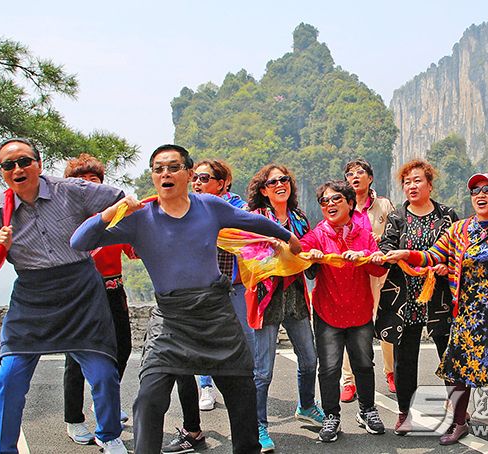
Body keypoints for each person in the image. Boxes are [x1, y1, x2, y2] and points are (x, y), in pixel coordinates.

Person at [71, 144, 301, 454]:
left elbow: (251, 222)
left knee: (242, 394)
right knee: (150, 399)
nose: (165, 173)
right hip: (170, 320)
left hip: (215, 314)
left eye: (173, 167)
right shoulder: (140, 218)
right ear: (153, 177)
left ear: (188, 174)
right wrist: (110, 213)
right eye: (158, 169)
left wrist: (288, 237)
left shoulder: (209, 206)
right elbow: (79, 241)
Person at [0, 138, 127, 454]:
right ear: (2, 172)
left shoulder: (69, 189)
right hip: (32, 295)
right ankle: (2, 449)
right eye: (8, 165)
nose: (18, 169)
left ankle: (110, 436)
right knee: (10, 377)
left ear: (38, 163)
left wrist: (97, 231)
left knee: (102, 374)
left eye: (24, 161)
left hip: (80, 290)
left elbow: (118, 198)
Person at [376, 173, 488, 445]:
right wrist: (408, 255)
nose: (481, 195)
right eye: (475, 190)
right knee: (457, 369)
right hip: (468, 313)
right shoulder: (459, 230)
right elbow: (433, 255)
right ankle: (459, 422)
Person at [163, 158, 254, 454]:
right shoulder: (181, 207)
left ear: (222, 182)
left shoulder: (230, 209)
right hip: (186, 298)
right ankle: (192, 429)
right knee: (181, 364)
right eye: (195, 178)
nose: (197, 183)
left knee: (236, 366)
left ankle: (250, 437)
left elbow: (251, 230)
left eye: (204, 178)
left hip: (223, 294)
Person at [373, 159, 458, 435]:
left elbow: (458, 251)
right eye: (407, 181)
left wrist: (448, 267)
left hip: (439, 298)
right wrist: (381, 254)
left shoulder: (447, 216)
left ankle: (458, 412)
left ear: (430, 185)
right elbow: (386, 246)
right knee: (405, 359)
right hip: (404, 300)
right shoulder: (398, 217)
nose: (412, 185)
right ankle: (404, 413)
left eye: (418, 180)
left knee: (449, 357)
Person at [300, 180, 388, 442]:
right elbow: (301, 255)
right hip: (328, 314)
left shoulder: (364, 234)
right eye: (325, 201)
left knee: (363, 364)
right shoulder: (317, 234)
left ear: (350, 203)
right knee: (328, 368)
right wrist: (311, 255)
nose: (330, 204)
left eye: (336, 199)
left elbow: (379, 268)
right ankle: (331, 416)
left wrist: (366, 255)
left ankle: (367, 410)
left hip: (360, 312)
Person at [246, 164, 324, 452]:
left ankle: (305, 406)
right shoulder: (255, 218)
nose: (281, 184)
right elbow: (250, 255)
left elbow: (307, 248)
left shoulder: (299, 218)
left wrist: (311, 256)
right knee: (263, 370)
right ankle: (259, 425)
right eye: (273, 181)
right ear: (264, 190)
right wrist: (277, 252)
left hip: (294, 295)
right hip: (267, 298)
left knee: (309, 358)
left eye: (285, 179)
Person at [62, 154, 137, 445]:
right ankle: (74, 419)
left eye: (94, 182)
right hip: (78, 294)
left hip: (113, 290)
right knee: (76, 358)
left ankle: (104, 400)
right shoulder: (66, 221)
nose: (88, 188)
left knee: (123, 348)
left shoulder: (115, 219)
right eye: (81, 183)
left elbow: (135, 249)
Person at [342, 158, 395, 400]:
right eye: (350, 174)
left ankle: (391, 372)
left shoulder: (383, 205)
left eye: (360, 172)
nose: (355, 177)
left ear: (370, 178)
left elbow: (394, 235)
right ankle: (349, 380)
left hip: (380, 272)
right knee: (350, 325)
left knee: (385, 320)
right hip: (352, 275)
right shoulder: (343, 206)